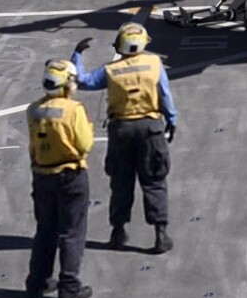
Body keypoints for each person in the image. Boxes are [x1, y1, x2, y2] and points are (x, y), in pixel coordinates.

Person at [72, 22, 178, 253]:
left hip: (121, 130)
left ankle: (118, 232)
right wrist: (172, 121)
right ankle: (160, 234)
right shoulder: (154, 63)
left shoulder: (111, 70)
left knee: (121, 184)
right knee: (154, 181)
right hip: (150, 129)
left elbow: (83, 81)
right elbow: (165, 96)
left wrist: (77, 54)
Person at [25, 58, 94, 298]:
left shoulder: (33, 109)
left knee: (45, 231)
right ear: (67, 85)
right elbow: (85, 144)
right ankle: (68, 287)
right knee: (71, 233)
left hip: (41, 176)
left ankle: (37, 282)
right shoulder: (73, 110)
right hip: (70, 176)